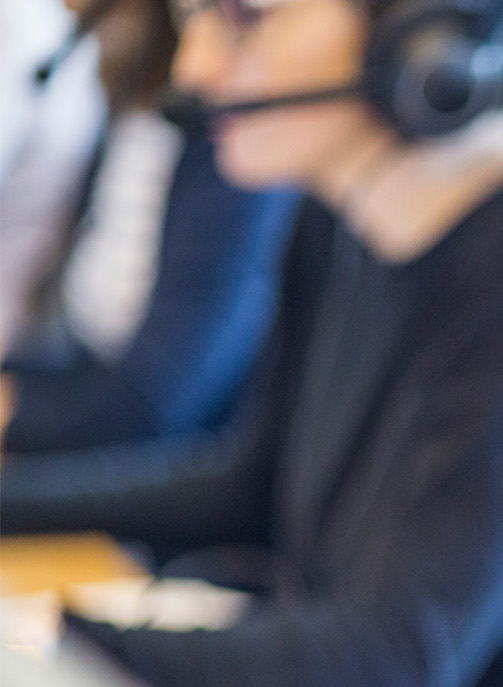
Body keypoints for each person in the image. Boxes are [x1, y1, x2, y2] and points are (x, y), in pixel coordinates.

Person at [0, 0, 503, 687]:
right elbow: (249, 486)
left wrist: (50, 644)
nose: (193, 67)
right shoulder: (339, 212)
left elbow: (390, 656)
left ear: (427, 39)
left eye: (246, 19)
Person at [1, 0, 297, 458]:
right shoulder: (132, 79)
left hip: (148, 463)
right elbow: (83, 352)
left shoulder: (237, 135)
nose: (197, 64)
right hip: (88, 410)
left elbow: (150, 406)